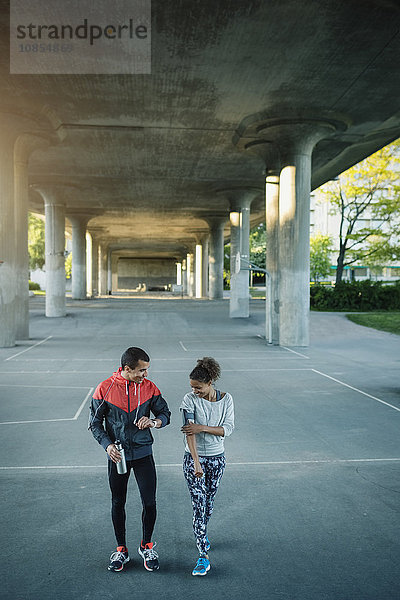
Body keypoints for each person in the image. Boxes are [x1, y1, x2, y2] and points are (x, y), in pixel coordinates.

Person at [89, 346, 171, 573]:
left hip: (144, 453)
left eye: (146, 370)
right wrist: (107, 446)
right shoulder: (104, 388)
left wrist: (154, 422)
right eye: (141, 370)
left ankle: (147, 545)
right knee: (118, 502)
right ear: (127, 368)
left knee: (150, 502)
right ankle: (121, 550)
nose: (145, 374)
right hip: (118, 456)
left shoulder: (150, 388)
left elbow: (166, 414)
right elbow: (94, 424)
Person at [180, 357, 234, 576]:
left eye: (198, 387)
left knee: (208, 504)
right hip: (194, 460)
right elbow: (189, 433)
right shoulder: (189, 399)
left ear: (210, 381)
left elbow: (227, 429)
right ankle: (203, 555)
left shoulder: (227, 399)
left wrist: (202, 427)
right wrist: (196, 462)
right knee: (199, 506)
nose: (194, 391)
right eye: (192, 387)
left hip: (217, 458)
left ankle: (201, 531)